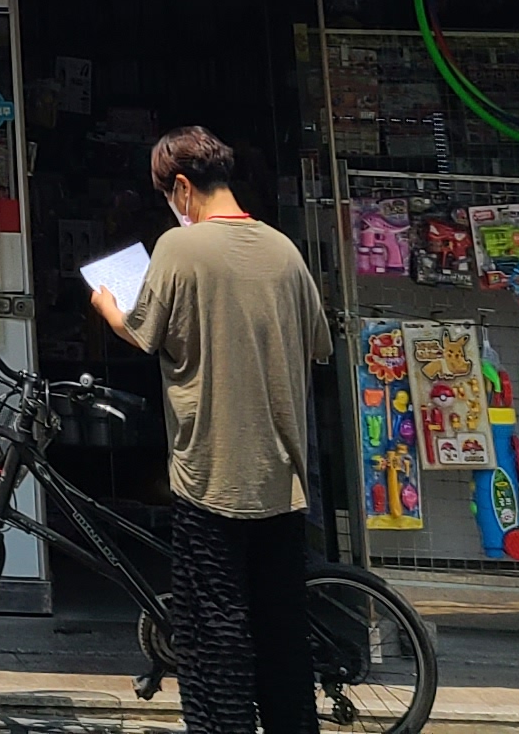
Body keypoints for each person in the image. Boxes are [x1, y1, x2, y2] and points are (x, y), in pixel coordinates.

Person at [90, 124, 332, 734]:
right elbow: (318, 344)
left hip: (211, 477)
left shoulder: (180, 248)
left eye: (166, 195)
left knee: (213, 637)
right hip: (281, 481)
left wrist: (109, 309)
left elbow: (143, 333)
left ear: (181, 187)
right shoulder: (284, 250)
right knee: (282, 637)